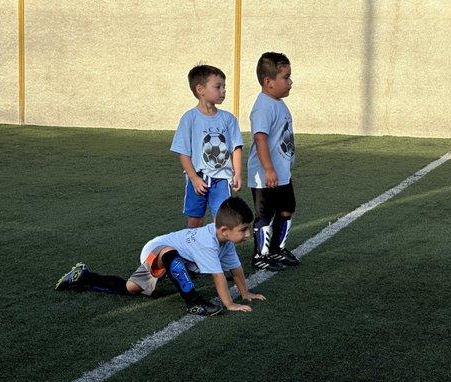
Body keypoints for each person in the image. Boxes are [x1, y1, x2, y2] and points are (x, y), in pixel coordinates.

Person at [55, 197, 265, 316]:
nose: (247, 234)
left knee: (130, 289)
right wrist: (229, 304)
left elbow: (235, 269)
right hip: (156, 250)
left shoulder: (224, 240)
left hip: (175, 259)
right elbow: (218, 276)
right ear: (224, 230)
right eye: (244, 230)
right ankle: (194, 302)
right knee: (169, 254)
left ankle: (83, 276)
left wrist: (245, 294)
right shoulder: (207, 242)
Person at [171, 65, 243, 228]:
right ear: (200, 89)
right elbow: (183, 152)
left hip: (222, 179)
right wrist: (194, 178)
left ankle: (220, 251)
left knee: (222, 220)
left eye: (224, 87)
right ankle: (193, 251)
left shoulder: (228, 119)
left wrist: (237, 173)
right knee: (195, 220)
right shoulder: (189, 118)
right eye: (218, 87)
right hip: (198, 179)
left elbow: (236, 147)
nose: (223, 91)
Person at [247, 52, 301, 271]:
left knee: (287, 208)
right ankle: (261, 255)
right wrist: (268, 169)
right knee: (265, 214)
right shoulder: (263, 106)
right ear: (268, 82)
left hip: (282, 173)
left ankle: (277, 249)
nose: (290, 82)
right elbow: (260, 138)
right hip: (266, 176)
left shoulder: (278, 103)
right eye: (285, 77)